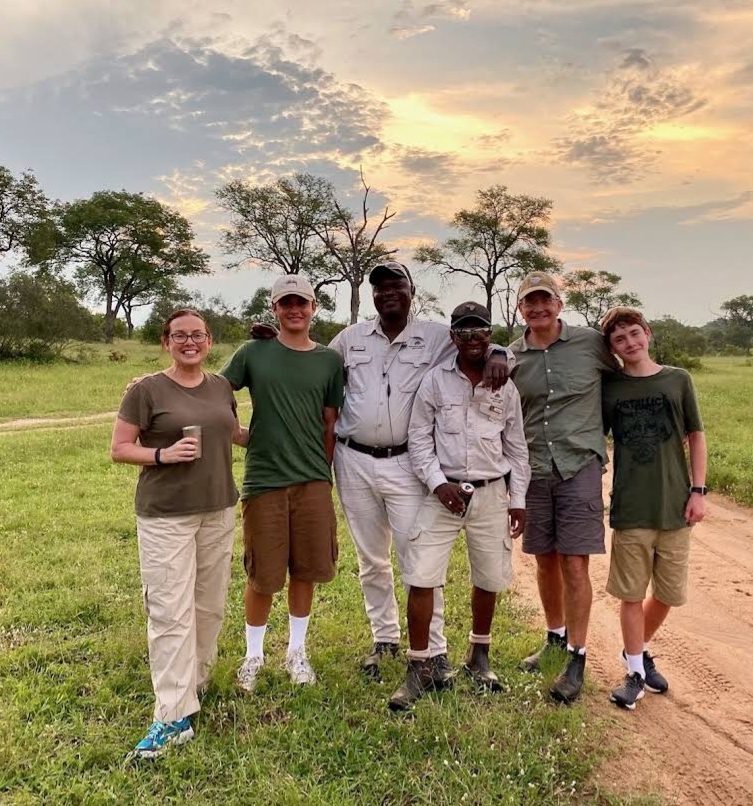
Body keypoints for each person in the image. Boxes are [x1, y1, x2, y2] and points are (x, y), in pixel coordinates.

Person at [328, 261, 511, 685]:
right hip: (353, 459)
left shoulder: (433, 337)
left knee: (419, 557)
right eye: (380, 288)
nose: (387, 292)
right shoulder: (351, 338)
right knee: (371, 558)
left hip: (408, 462)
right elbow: (311, 362)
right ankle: (385, 639)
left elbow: (477, 348)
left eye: (396, 285)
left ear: (412, 290)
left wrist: (501, 352)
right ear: (372, 296)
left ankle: (434, 649)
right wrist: (271, 343)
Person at [111, 309, 248, 759]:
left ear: (209, 341)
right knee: (170, 610)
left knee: (208, 606)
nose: (189, 342)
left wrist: (285, 416)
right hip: (166, 514)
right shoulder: (145, 390)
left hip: (218, 509)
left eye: (197, 335)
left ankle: (195, 684)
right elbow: (120, 449)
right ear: (165, 342)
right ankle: (171, 716)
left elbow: (233, 433)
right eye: (179, 335)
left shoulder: (221, 387)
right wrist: (163, 454)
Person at [390, 302, 530, 712]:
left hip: (491, 493)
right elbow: (419, 439)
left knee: (489, 574)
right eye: (464, 333)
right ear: (452, 337)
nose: (473, 340)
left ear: (490, 334)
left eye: (480, 331)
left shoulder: (505, 384)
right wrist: (437, 484)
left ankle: (479, 656)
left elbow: (517, 448)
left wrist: (517, 499)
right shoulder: (435, 381)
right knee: (421, 574)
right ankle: (420, 667)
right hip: (445, 491)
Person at [219, 275, 345, 692]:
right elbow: (216, 392)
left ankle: (296, 652)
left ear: (314, 307)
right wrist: (238, 434)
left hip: (311, 481)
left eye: (302, 302)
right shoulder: (254, 352)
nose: (295, 309)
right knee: (263, 575)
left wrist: (321, 474)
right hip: (264, 480)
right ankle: (253, 656)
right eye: (286, 303)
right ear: (274, 308)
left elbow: (331, 422)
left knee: (305, 569)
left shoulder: (329, 361)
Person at [509, 272, 618, 704]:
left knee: (576, 563)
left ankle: (577, 654)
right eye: (529, 302)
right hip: (533, 467)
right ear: (520, 308)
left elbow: (625, 378)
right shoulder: (512, 356)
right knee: (544, 559)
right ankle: (554, 637)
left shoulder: (591, 344)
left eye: (545, 300)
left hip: (579, 465)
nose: (538, 308)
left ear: (559, 302)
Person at [600, 306, 707, 710]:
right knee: (631, 593)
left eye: (634, 334)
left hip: (675, 505)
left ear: (648, 333)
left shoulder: (678, 380)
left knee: (667, 594)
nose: (630, 343)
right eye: (619, 339)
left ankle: (638, 651)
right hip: (631, 505)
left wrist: (698, 490)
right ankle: (633, 673)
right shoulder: (609, 388)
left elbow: (696, 436)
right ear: (612, 348)